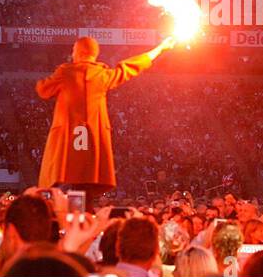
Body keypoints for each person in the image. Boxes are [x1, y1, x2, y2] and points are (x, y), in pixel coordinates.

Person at [35, 35, 177, 200]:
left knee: (64, 180)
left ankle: (61, 212)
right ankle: (82, 217)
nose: (72, 53)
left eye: (74, 50)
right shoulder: (103, 75)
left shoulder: (65, 72)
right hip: (91, 140)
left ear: (79, 52)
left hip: (70, 139)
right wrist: (160, 49)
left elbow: (43, 90)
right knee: (84, 185)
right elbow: (129, 68)